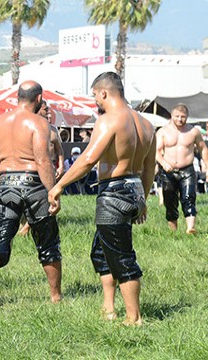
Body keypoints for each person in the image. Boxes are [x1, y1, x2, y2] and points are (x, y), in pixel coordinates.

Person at [49, 72, 156, 326]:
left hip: (114, 193)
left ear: (104, 93)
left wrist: (59, 186)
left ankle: (134, 318)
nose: (95, 100)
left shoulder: (110, 120)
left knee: (122, 257)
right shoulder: (146, 124)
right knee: (101, 251)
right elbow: (150, 169)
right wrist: (142, 200)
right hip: (134, 190)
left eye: (95, 95)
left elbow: (87, 159)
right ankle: (108, 307)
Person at [0, 81, 62, 306]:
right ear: (39, 99)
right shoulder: (39, 123)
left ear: (17, 98)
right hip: (33, 183)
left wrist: (3, 183)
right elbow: (43, 160)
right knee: (47, 242)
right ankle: (55, 296)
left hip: (6, 183)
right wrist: (53, 192)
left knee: (0, 239)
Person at [155, 103, 208, 234]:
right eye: (177, 116)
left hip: (187, 169)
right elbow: (156, 151)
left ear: (187, 117)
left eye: (183, 117)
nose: (180, 119)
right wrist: (163, 163)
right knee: (170, 201)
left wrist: (207, 166)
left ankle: (191, 228)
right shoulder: (163, 131)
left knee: (189, 197)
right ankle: (173, 232)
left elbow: (203, 148)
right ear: (172, 116)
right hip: (168, 170)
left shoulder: (193, 131)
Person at [17, 99, 64, 236]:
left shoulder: (53, 129)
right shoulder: (28, 127)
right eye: (45, 109)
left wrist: (60, 166)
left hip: (50, 167)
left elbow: (59, 150)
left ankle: (28, 228)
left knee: (47, 198)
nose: (48, 112)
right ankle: (25, 225)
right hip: (32, 168)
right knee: (28, 201)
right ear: (37, 110)